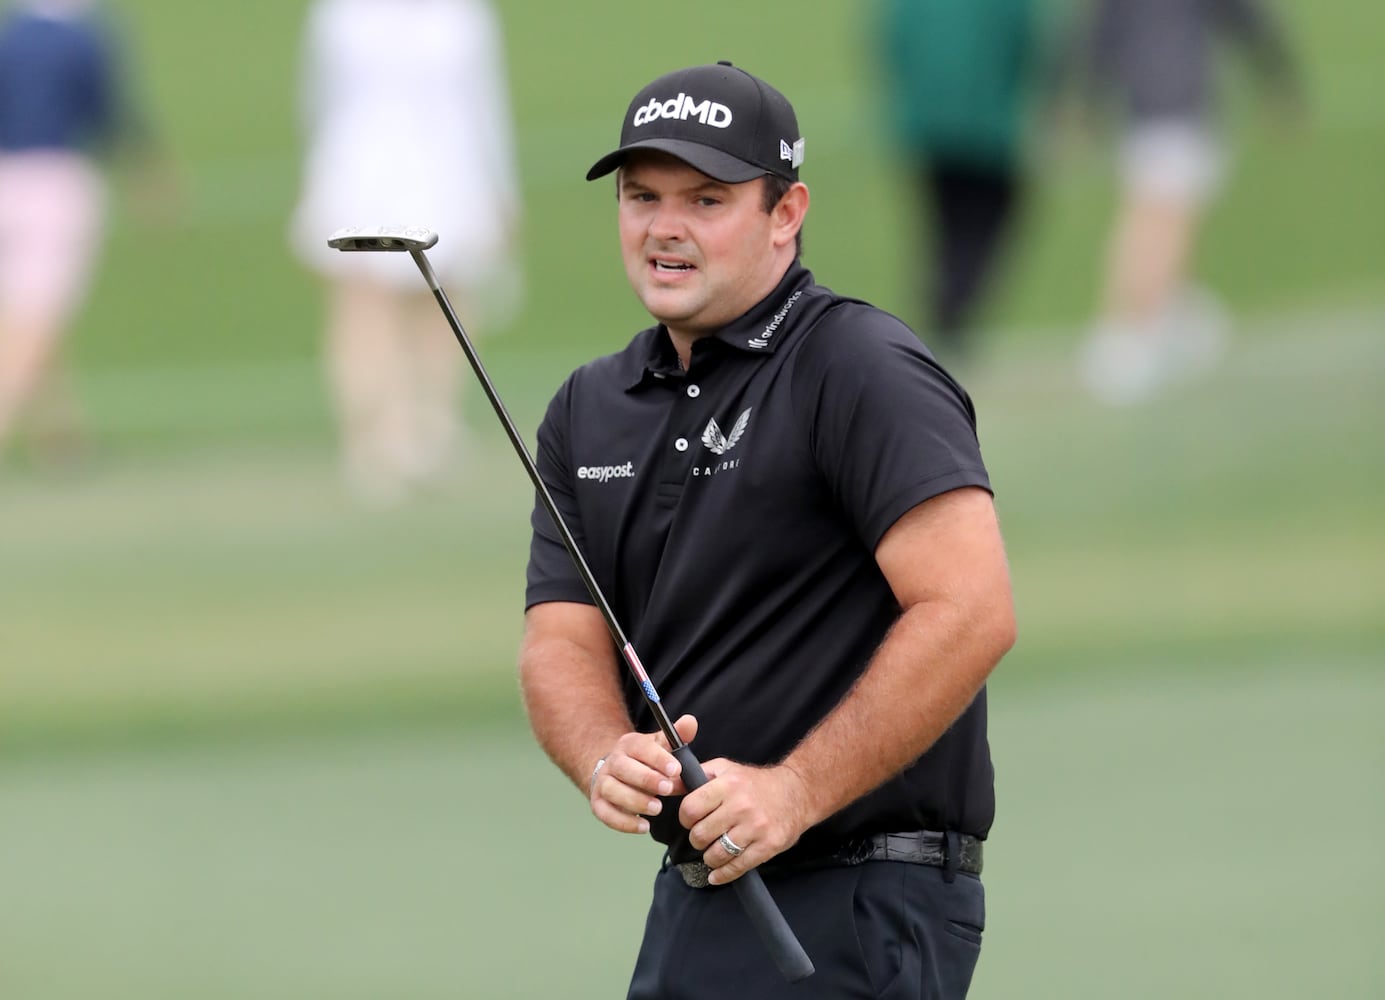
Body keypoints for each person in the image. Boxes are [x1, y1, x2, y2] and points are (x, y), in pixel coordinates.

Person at [518, 62, 1017, 999]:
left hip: (868, 891)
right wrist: (600, 752)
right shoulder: (590, 408)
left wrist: (792, 791)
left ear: (785, 213)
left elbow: (972, 609)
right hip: (701, 892)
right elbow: (560, 638)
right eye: (642, 197)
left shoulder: (857, 367)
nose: (664, 227)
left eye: (706, 199)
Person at [290, 0, 522, 504]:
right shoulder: (342, 13)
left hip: (447, 164)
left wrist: (502, 186)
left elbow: (485, 102)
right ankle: (372, 438)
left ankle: (432, 427)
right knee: (364, 302)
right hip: (362, 163)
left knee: (444, 297)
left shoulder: (462, 14)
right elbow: (320, 97)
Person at [1069, 0, 1302, 404]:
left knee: (1165, 216)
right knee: (1158, 222)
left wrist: (1087, 103)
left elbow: (1096, 38)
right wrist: (1279, 80)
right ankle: (1127, 336)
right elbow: (1250, 21)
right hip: (1179, 101)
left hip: (1149, 105)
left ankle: (1167, 315)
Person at [0, 0, 166, 467]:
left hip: (5, 178)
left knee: (24, 311)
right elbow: (109, 111)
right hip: (55, 184)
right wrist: (148, 172)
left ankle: (62, 441)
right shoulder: (84, 36)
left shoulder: (11, 36)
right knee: (34, 319)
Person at [874, 0, 1043, 363]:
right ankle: (951, 318)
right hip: (991, 125)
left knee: (943, 227)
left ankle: (940, 316)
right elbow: (1031, 43)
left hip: (927, 122)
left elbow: (892, 40)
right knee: (982, 224)